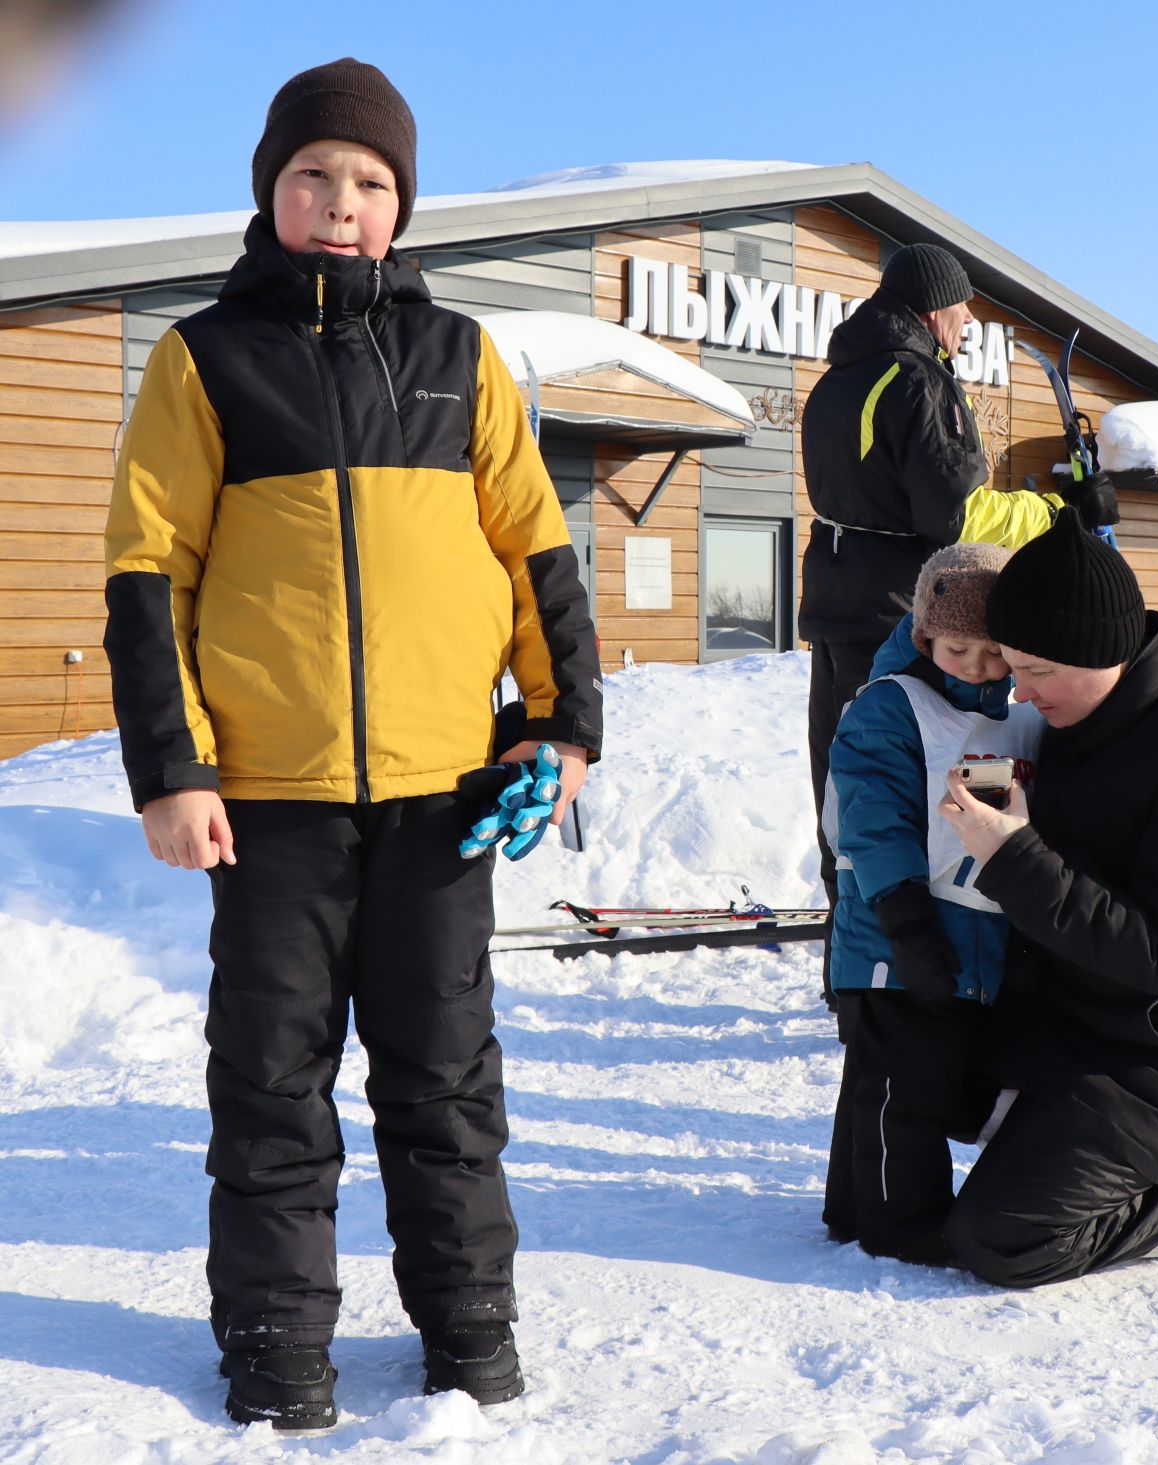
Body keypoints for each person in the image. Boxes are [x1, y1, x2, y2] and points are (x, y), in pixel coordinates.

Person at [102, 58, 601, 1429]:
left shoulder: (459, 359)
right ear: (270, 190)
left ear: (401, 206)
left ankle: (470, 1329)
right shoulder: (203, 359)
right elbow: (149, 572)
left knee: (445, 1077)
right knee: (271, 1081)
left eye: (370, 181)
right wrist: (173, 767)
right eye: (315, 174)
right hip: (267, 799)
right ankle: (276, 1343)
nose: (341, 200)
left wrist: (560, 726)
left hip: (444, 794)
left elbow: (536, 549)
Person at [935, 513, 1158, 1286]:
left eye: (1034, 669)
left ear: (1104, 651)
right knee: (914, 1068)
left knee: (1002, 1234)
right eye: (1013, 666)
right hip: (1087, 1010)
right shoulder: (1089, 707)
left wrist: (1014, 854)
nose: (1020, 692)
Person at [798, 243, 1119, 997]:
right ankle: (924, 968)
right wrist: (1052, 512)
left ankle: (851, 969)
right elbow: (959, 513)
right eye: (963, 307)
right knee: (947, 782)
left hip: (836, 610)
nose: (969, 320)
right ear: (933, 309)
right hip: (910, 623)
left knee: (852, 791)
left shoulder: (837, 380)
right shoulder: (916, 378)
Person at [820, 543, 1044, 1263]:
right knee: (902, 1087)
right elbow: (873, 824)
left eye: (993, 652)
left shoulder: (1015, 716)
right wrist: (906, 924)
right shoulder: (891, 706)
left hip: (972, 929)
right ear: (923, 635)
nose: (977, 667)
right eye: (957, 649)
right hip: (893, 932)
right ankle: (902, 1223)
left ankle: (851, 1204)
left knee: (893, 1073)